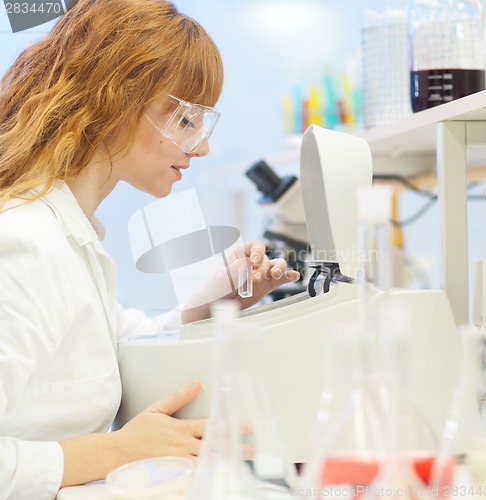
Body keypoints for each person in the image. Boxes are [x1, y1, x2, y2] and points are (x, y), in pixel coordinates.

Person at [0, 1, 300, 498]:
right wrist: (117, 450)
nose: (201, 147)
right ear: (115, 99)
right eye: (185, 119)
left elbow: (116, 347)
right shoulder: (25, 246)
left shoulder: (70, 239)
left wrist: (211, 303)